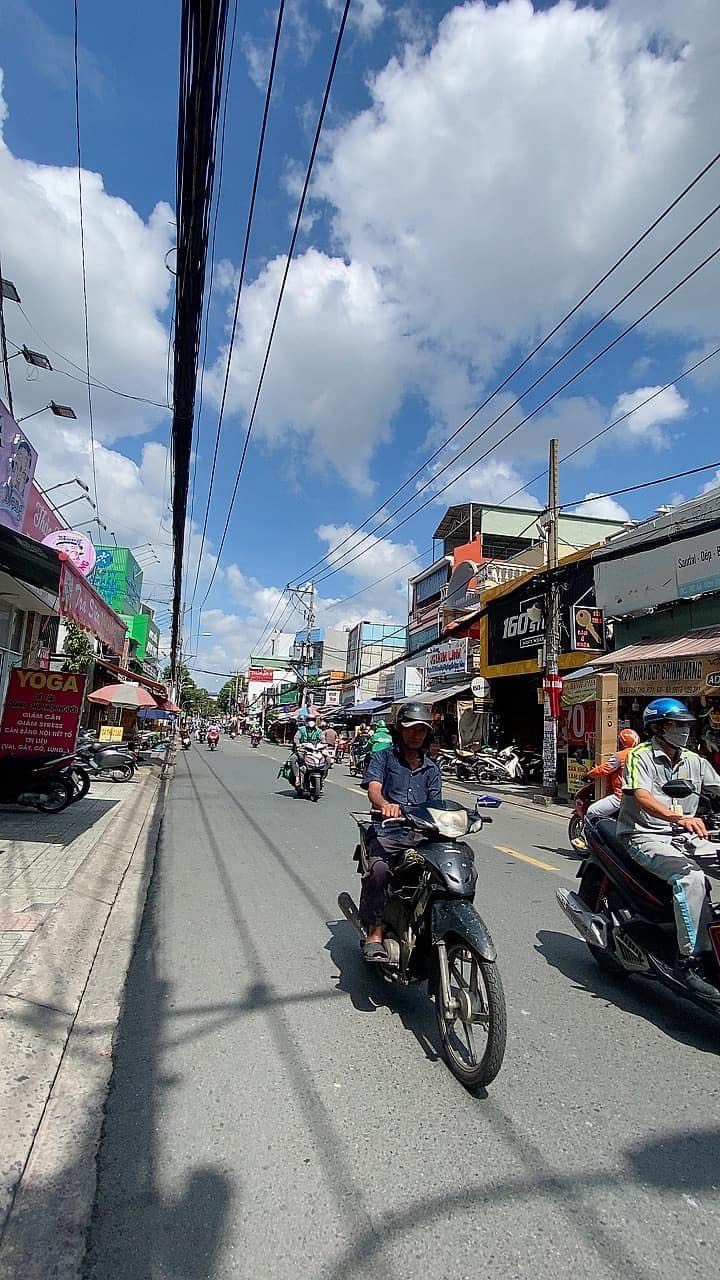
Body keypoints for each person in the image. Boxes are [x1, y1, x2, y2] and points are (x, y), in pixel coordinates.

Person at [617, 697, 720, 1002]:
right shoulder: (640, 756)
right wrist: (680, 817)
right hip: (644, 835)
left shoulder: (694, 761)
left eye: (686, 725)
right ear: (658, 727)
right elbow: (643, 797)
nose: (684, 730)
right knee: (691, 878)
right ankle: (689, 961)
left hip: (685, 835)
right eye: (677, 725)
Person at [359, 703, 441, 963]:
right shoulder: (383, 757)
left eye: (421, 730)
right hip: (389, 832)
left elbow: (437, 804)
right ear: (399, 729)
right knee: (380, 870)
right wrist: (385, 806)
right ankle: (375, 930)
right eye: (411, 729)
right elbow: (374, 789)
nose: (416, 735)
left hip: (422, 836)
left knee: (460, 863)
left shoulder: (432, 769)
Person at [585, 729, 640, 823]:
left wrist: (589, 774)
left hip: (621, 796)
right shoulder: (641, 754)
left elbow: (605, 769)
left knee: (591, 811)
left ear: (621, 742)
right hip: (638, 796)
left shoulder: (620, 756)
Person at [291, 714, 324, 786]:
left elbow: (322, 739)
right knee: (293, 759)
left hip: (316, 750)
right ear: (306, 721)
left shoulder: (318, 731)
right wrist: (298, 744)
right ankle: (297, 778)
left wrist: (324, 744)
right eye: (309, 720)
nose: (311, 722)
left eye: (312, 720)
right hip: (303, 749)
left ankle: (323, 777)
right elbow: (296, 739)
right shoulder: (301, 729)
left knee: (328, 759)